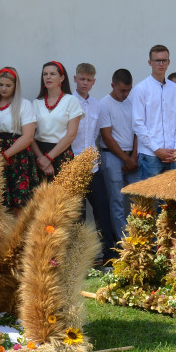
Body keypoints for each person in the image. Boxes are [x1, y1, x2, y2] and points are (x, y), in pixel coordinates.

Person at [72, 63, 112, 260]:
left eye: (89, 80)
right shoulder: (69, 102)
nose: (85, 83)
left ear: (94, 82)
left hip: (93, 165)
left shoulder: (97, 104)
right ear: (75, 79)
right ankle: (78, 255)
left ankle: (107, 252)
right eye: (82, 79)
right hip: (73, 163)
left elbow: (96, 133)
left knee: (102, 207)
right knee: (77, 213)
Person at [131, 45, 176, 180]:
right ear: (150, 62)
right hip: (150, 154)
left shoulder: (175, 89)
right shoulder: (141, 89)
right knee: (150, 199)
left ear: (169, 62)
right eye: (157, 60)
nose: (160, 64)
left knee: (172, 198)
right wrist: (157, 149)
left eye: (164, 60)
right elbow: (138, 124)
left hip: (172, 154)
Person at [98, 68, 138, 251]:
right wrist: (125, 159)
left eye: (128, 90)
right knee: (117, 201)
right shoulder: (104, 105)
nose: (126, 94)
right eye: (122, 90)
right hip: (112, 155)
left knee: (139, 197)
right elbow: (107, 136)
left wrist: (134, 156)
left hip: (132, 155)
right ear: (112, 85)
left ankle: (139, 238)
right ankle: (124, 243)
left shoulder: (132, 102)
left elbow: (139, 130)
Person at [0, 67, 36, 212]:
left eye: (8, 85)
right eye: (1, 84)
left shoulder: (24, 105)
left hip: (17, 155)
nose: (4, 88)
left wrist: (5, 155)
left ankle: (18, 234)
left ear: (15, 86)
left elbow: (28, 137)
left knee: (19, 203)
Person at [31, 61, 84, 182]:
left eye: (52, 74)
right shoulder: (36, 103)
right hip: (39, 155)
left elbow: (71, 135)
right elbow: (30, 136)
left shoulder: (71, 101)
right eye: (45, 74)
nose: (48, 77)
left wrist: (49, 158)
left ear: (62, 78)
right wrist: (41, 158)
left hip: (61, 154)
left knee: (62, 198)